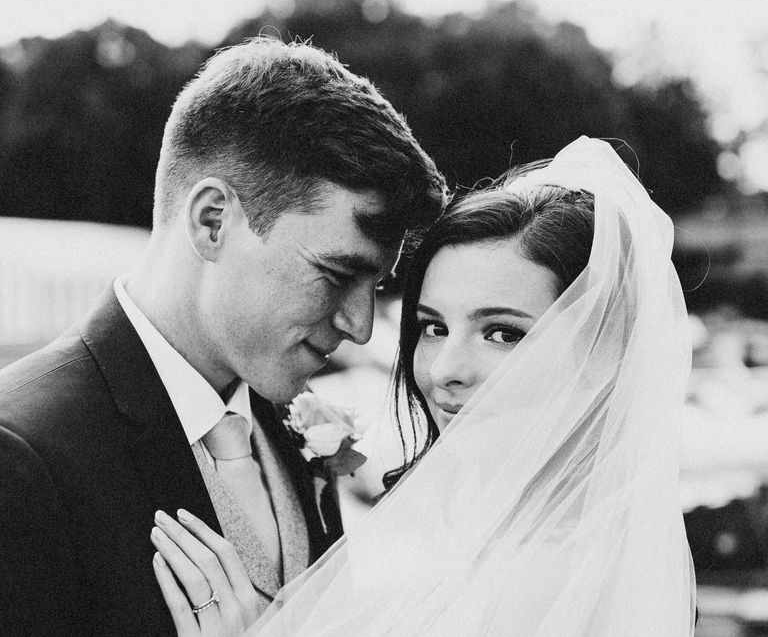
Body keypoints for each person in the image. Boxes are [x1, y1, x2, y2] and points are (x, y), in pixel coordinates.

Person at [150, 137, 696, 635]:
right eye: (433, 328)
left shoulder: (577, 577)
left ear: (601, 354)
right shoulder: (453, 536)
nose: (442, 370)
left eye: (502, 333)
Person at [0, 37, 447, 636]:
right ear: (213, 220)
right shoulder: (22, 458)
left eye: (376, 286)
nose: (361, 326)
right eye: (337, 275)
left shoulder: (291, 423)